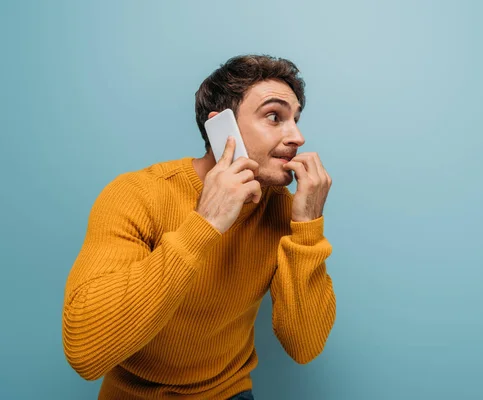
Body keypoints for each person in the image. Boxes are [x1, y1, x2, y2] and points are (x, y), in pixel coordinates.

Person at [62, 54, 336, 400]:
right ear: (222, 129)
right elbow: (84, 352)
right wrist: (205, 224)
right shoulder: (136, 194)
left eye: (295, 119)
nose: (297, 136)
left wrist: (308, 227)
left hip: (227, 392)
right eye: (274, 116)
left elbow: (305, 345)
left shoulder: (283, 210)